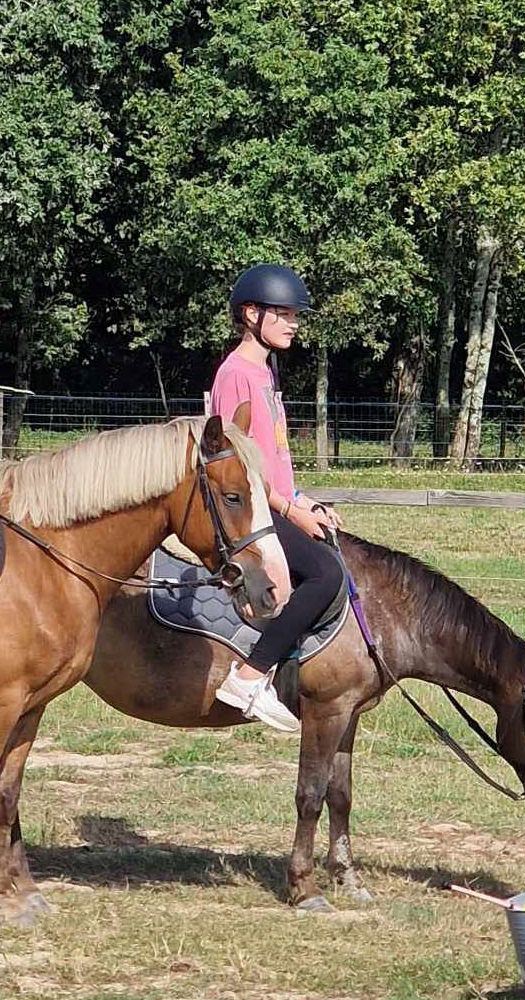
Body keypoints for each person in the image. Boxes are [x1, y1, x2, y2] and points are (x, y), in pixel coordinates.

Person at [206, 264, 345, 733]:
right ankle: (249, 675)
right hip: (256, 512)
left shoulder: (265, 375)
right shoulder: (235, 375)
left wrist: (306, 502)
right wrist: (291, 513)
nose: (293, 323)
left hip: (280, 504)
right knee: (326, 575)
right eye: (282, 314)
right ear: (251, 314)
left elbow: (276, 459)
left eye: (295, 315)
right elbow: (237, 467)